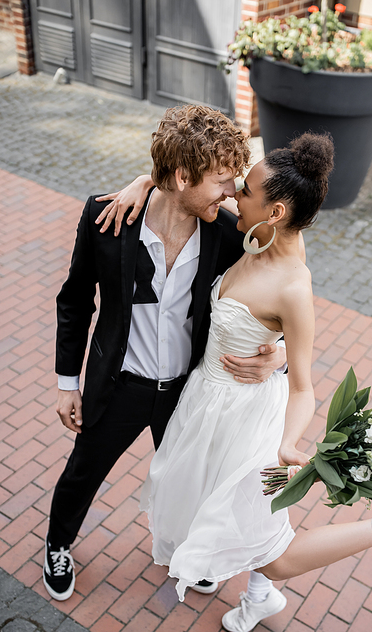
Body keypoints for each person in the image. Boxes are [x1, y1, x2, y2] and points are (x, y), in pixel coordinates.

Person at [112, 132, 372, 632]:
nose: (233, 194)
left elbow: (304, 384)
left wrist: (286, 441)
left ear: (275, 212)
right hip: (210, 407)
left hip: (257, 435)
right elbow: (184, 194)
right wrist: (144, 182)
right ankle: (260, 598)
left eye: (245, 189)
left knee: (274, 551)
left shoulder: (292, 284)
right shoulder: (259, 236)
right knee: (227, 509)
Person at [43, 104, 287, 602]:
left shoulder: (224, 233)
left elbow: (274, 293)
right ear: (180, 175)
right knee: (83, 471)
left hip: (186, 389)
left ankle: (191, 554)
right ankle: (57, 544)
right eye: (222, 181)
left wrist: (277, 352)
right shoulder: (106, 218)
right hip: (119, 383)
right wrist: (69, 383)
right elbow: (74, 301)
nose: (230, 193)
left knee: (193, 478)